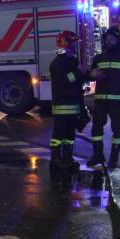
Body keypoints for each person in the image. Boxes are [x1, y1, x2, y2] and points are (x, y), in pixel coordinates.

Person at [86, 27, 120, 169]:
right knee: (96, 128)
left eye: (111, 39)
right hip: (100, 100)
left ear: (118, 40)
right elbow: (91, 74)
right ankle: (97, 155)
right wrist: (91, 75)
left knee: (117, 129)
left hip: (118, 100)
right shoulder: (99, 58)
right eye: (107, 39)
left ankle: (113, 159)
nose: (108, 41)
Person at [49, 31, 86, 172]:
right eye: (74, 44)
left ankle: (67, 157)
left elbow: (78, 80)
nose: (75, 47)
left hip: (73, 105)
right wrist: (79, 72)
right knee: (58, 135)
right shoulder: (58, 63)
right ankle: (55, 159)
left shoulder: (72, 61)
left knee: (70, 136)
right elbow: (65, 80)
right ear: (66, 44)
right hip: (62, 106)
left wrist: (89, 75)